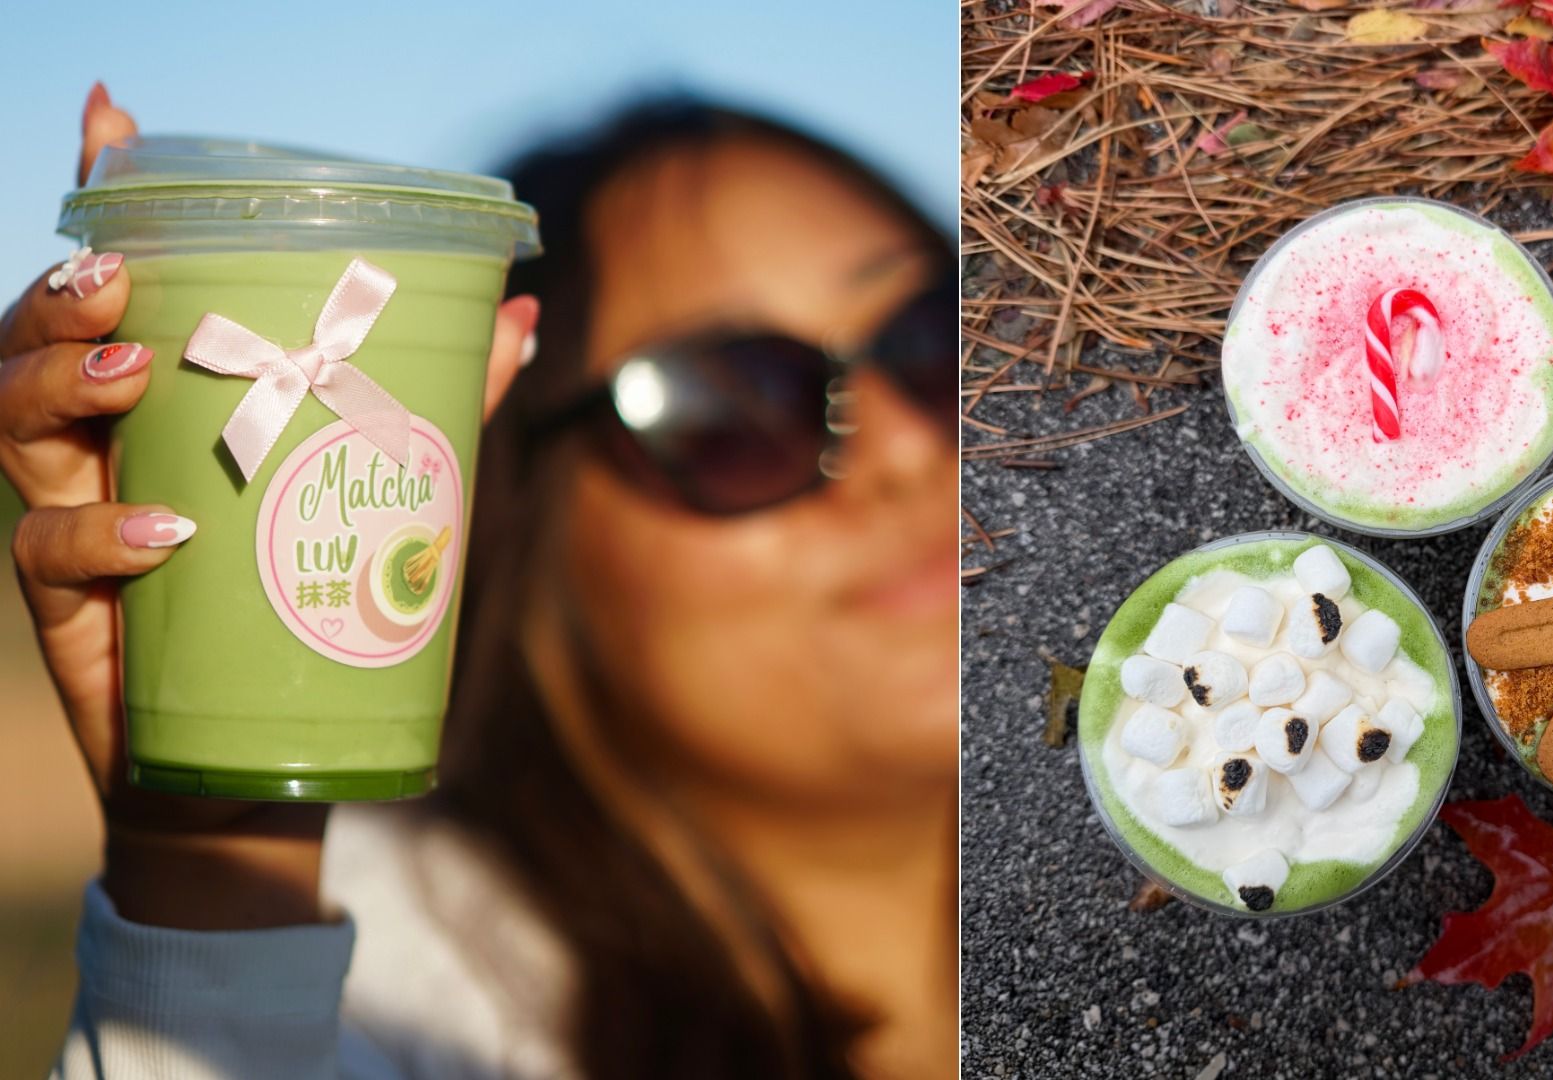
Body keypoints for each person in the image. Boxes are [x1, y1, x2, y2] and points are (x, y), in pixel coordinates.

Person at [4, 85, 958, 1079]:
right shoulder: (408, 993)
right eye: (730, 406)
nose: (903, 449)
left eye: (930, 343)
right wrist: (217, 874)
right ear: (519, 527)